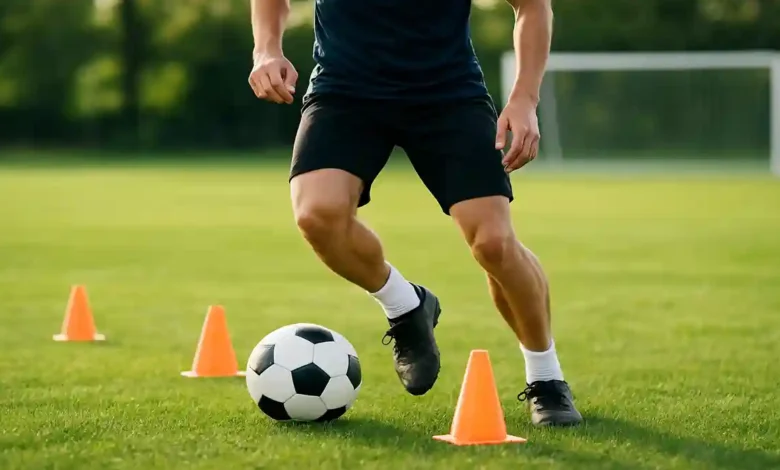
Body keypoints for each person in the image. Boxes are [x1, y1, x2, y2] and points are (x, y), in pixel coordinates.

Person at [248, 0, 583, 427]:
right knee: (317, 215)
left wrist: (524, 98)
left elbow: (533, 6)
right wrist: (266, 49)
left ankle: (546, 378)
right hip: (345, 91)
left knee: (494, 244)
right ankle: (406, 307)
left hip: (448, 95)